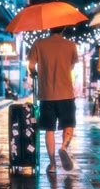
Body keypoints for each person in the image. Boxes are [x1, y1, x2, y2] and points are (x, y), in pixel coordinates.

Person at [28, 26, 79, 174]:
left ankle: (52, 165)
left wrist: (34, 73)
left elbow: (31, 65)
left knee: (49, 129)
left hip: (46, 95)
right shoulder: (71, 45)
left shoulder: (38, 44)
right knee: (68, 124)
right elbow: (71, 66)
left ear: (49, 28)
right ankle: (63, 147)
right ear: (63, 29)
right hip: (66, 94)